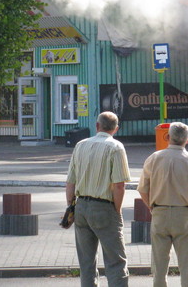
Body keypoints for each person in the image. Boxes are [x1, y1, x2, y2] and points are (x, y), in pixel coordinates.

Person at [138, 122, 188, 287]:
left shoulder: (154, 158)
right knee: (187, 266)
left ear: (168, 137)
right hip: (184, 215)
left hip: (159, 213)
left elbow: (142, 189)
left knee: (159, 267)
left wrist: (151, 207)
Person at [65, 111, 131, 286]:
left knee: (86, 263)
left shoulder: (80, 145)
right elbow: (119, 185)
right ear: (116, 129)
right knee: (116, 262)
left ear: (97, 126)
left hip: (81, 208)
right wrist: (117, 211)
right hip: (104, 208)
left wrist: (71, 208)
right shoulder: (116, 147)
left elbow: (70, 182)